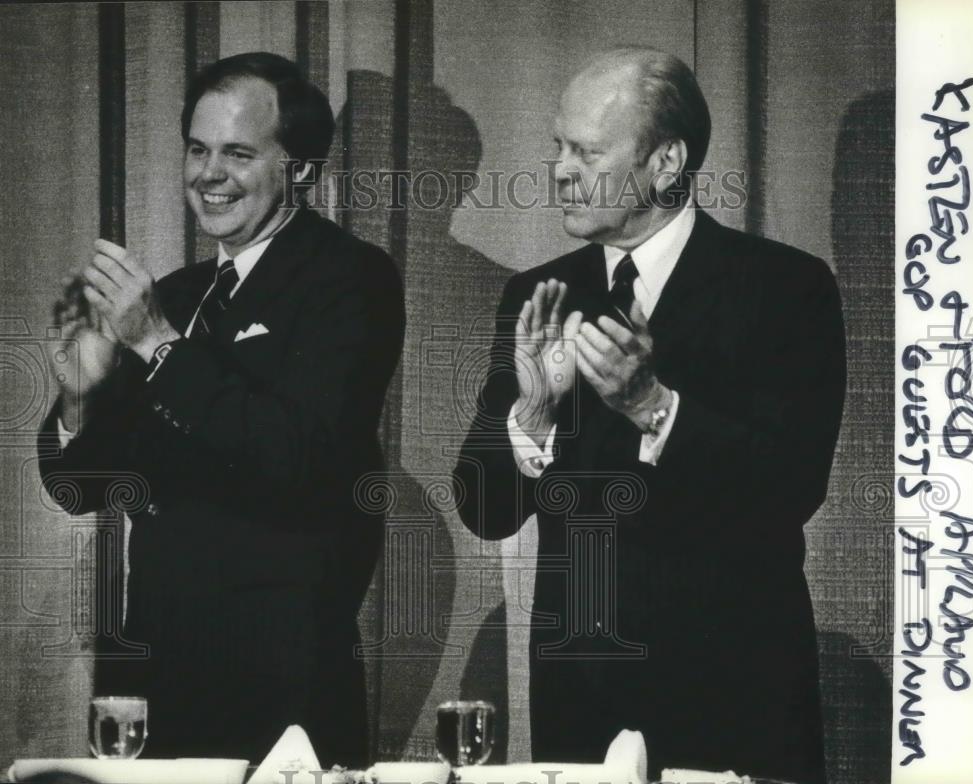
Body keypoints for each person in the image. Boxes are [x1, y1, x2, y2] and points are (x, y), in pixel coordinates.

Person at [453, 48, 844, 784]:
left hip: (735, 694)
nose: (560, 170)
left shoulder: (784, 288)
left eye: (587, 151)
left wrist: (653, 408)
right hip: (581, 696)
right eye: (558, 147)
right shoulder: (540, 295)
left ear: (667, 163)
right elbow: (483, 507)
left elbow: (792, 485)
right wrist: (531, 415)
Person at [37, 52, 405, 766]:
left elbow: (297, 453)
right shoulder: (173, 295)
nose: (208, 174)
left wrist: (158, 346)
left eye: (237, 153)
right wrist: (80, 402)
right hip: (152, 679)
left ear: (301, 169)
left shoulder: (349, 279)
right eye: (198, 149)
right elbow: (79, 489)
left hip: (280, 685)